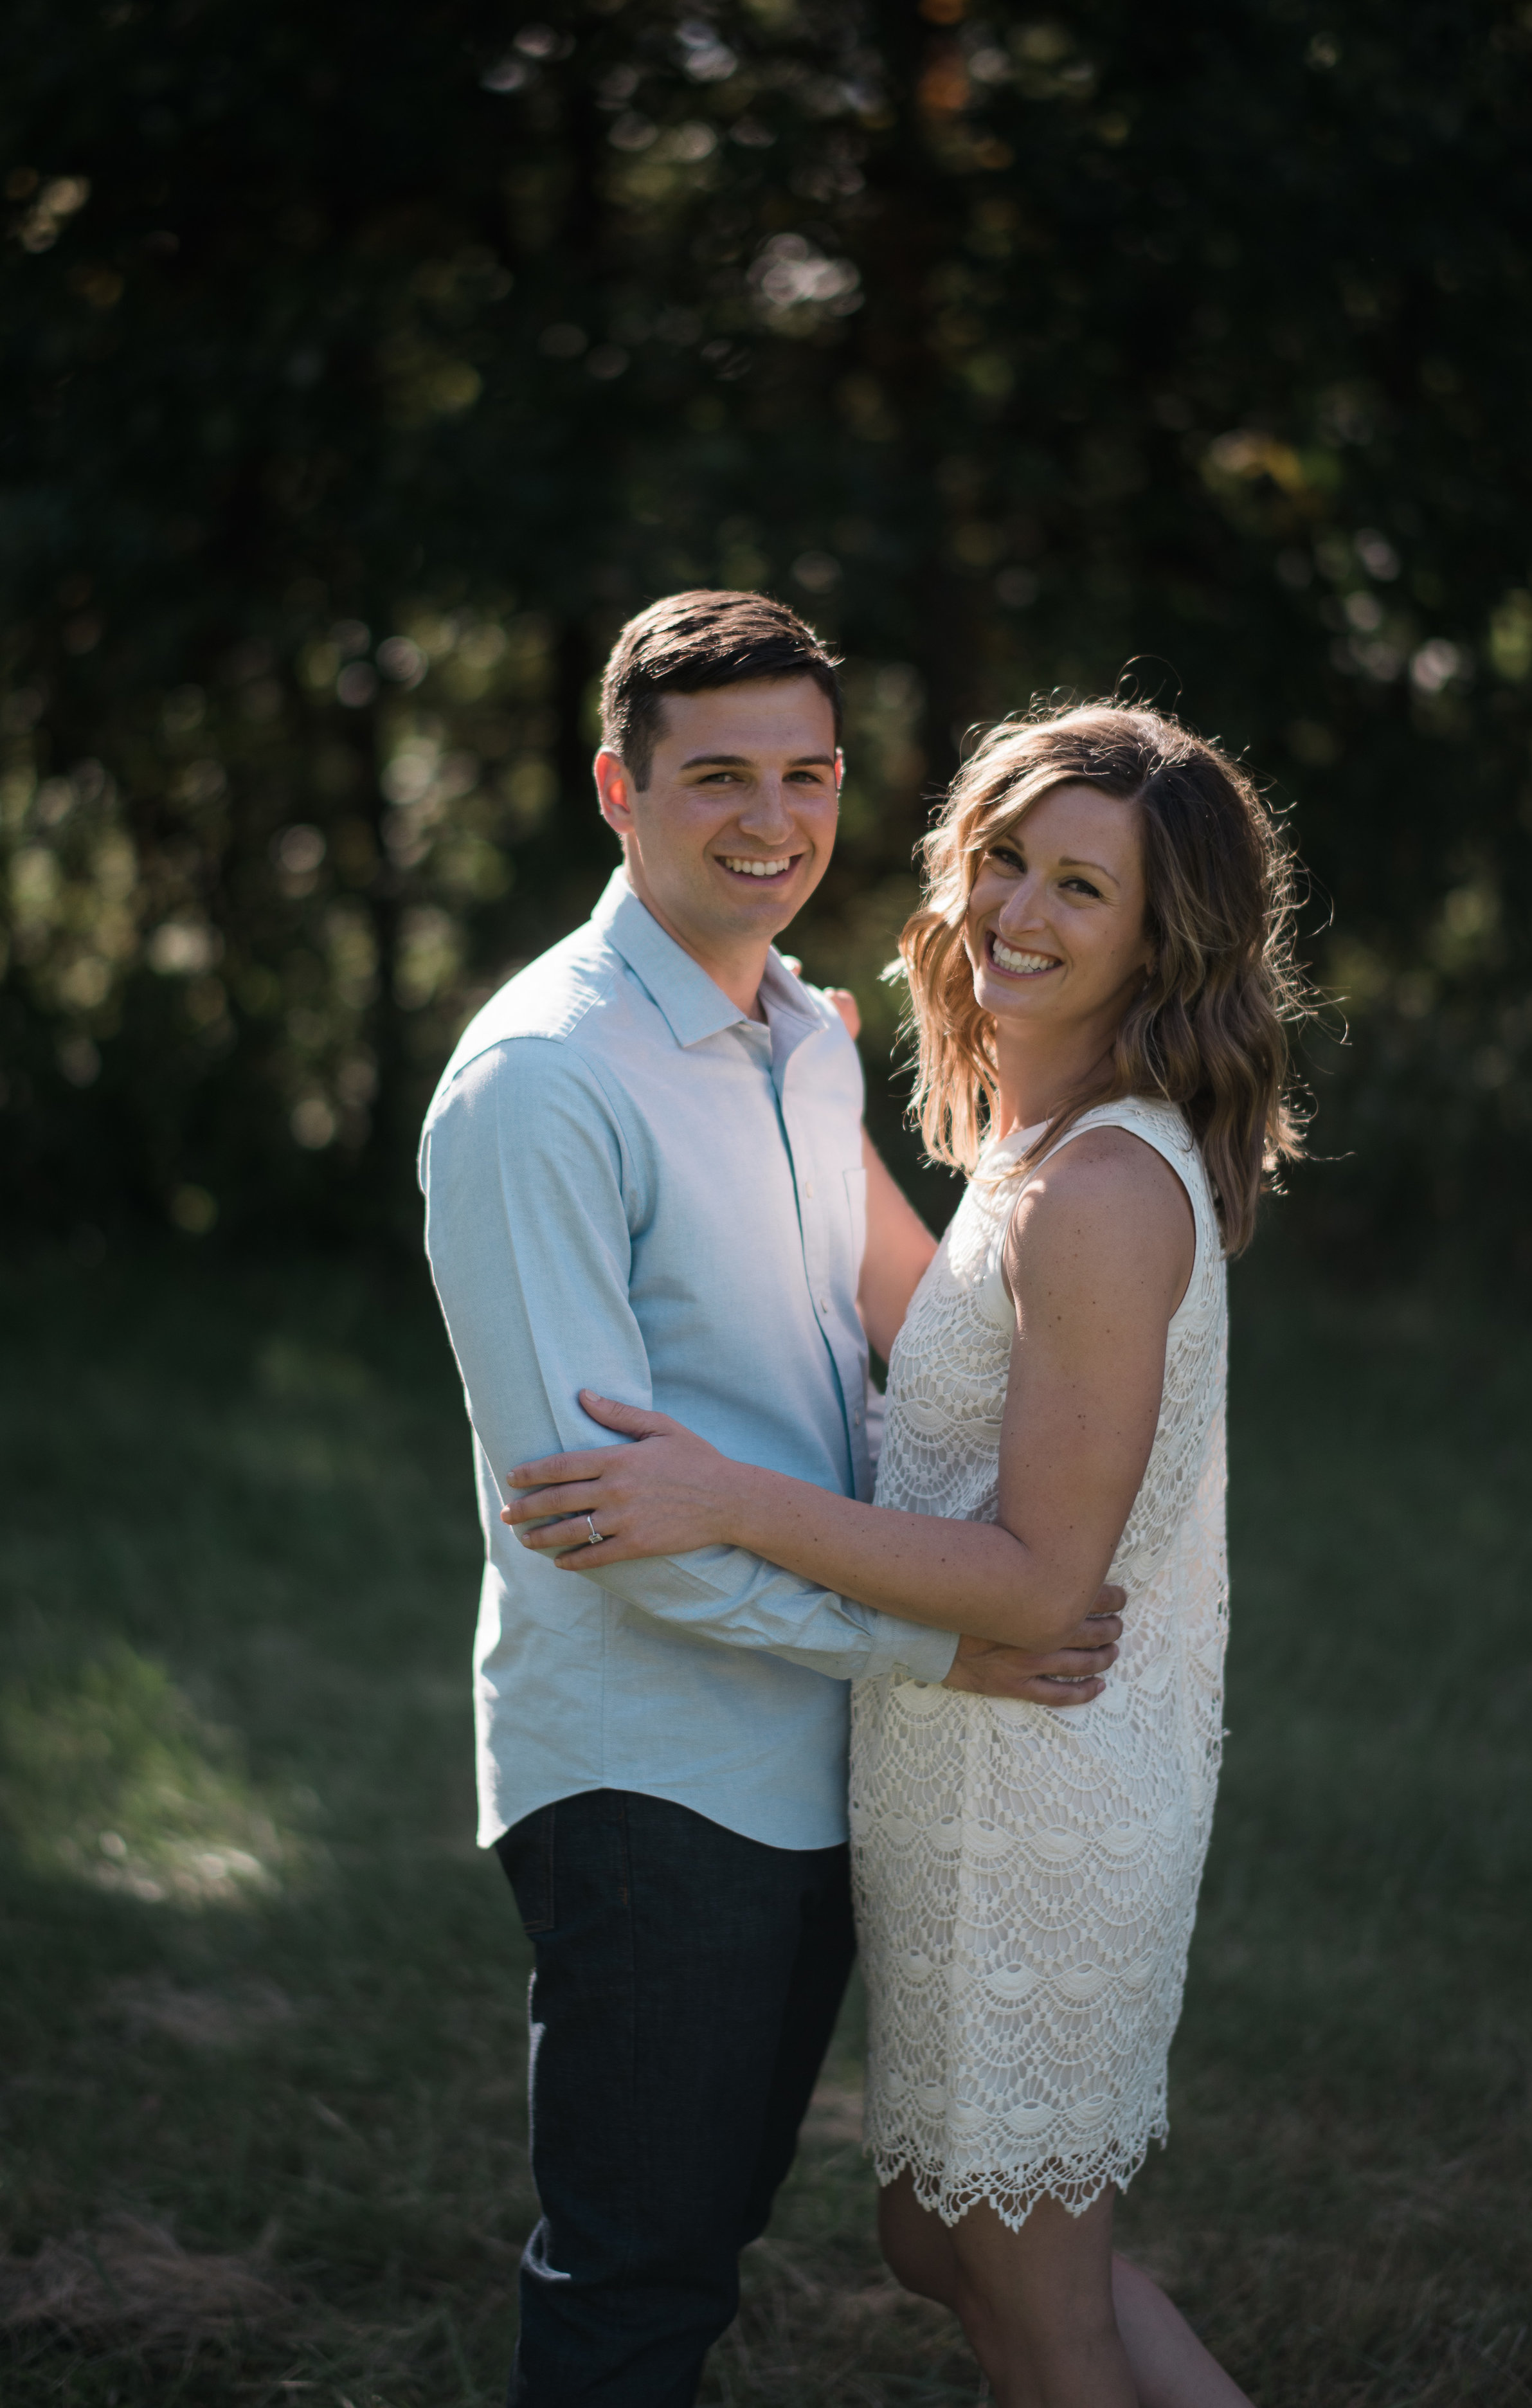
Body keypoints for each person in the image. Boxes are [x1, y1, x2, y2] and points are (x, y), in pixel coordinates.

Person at [505, 700, 1309, 2407]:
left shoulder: (1101, 1192)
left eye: (1080, 889)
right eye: (1002, 860)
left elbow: (1035, 1581)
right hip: (965, 1774)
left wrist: (727, 1496)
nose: (1021, 909)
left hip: (1042, 1787)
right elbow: (893, 1286)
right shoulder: (1028, 1155)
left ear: (1162, 937)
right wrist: (781, 1048)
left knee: (1031, 2298)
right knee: (951, 2244)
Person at [417, 592, 1125, 2408]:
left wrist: (1138, 1292)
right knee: (635, 2269)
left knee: (706, 2229)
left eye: (805, 773)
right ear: (615, 787)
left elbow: (917, 1315)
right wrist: (931, 1642)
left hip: (823, 1731)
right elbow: (599, 1529)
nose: (772, 817)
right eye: (717, 773)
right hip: (650, 1766)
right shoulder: (540, 1084)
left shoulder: (803, 1028)